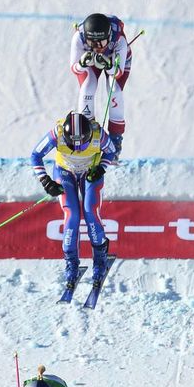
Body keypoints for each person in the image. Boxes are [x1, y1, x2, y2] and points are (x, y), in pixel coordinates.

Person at [30, 110, 118, 291]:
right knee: (72, 216)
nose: (77, 148)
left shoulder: (98, 134)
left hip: (89, 172)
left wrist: (101, 168)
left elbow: (111, 151)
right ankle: (71, 264)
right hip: (65, 172)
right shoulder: (58, 132)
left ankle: (100, 261)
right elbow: (35, 155)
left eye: (82, 144)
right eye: (73, 145)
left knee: (90, 212)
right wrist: (45, 180)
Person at [70, 13, 130, 158]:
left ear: (108, 37)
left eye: (101, 43)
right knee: (87, 87)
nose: (97, 47)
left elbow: (118, 73)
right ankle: (87, 135)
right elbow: (74, 67)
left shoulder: (119, 40)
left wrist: (109, 65)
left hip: (114, 61)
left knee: (114, 89)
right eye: (92, 43)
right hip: (90, 61)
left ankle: (115, 140)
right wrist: (82, 63)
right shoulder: (78, 37)